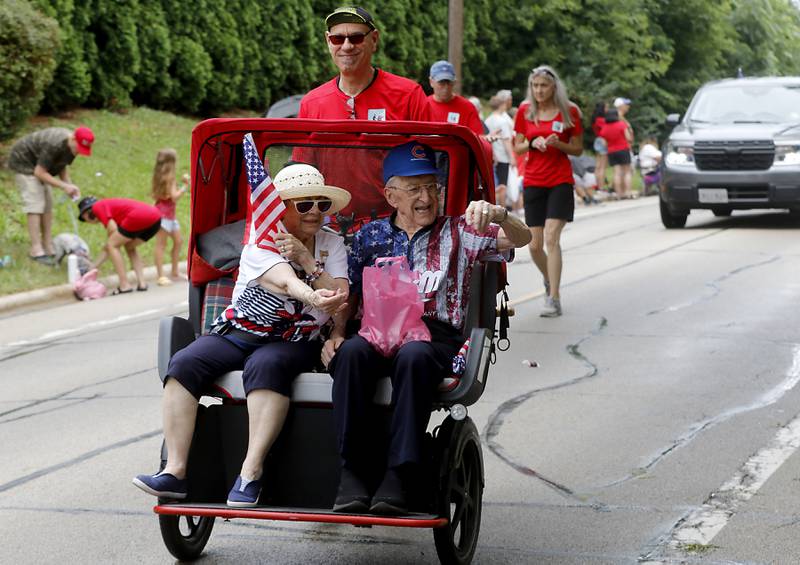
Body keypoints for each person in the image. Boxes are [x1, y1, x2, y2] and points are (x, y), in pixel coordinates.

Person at [325, 141, 531, 515]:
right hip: (377, 332)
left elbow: (522, 238)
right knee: (350, 354)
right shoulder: (369, 237)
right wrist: (338, 333)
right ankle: (351, 472)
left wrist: (500, 213)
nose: (427, 197)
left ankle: (399, 473)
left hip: (434, 335)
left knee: (414, 356)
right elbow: (350, 295)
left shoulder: (459, 231)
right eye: (415, 188)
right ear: (391, 195)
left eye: (433, 187)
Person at [132, 164, 351, 507]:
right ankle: (174, 471)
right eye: (304, 205)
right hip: (241, 331)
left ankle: (250, 472)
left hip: (295, 340)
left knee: (266, 365)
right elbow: (281, 280)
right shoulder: (259, 240)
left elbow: (340, 295)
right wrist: (311, 293)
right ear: (281, 208)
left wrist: (309, 261)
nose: (314, 213)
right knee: (185, 362)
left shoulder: (331, 244)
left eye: (320, 205)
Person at [295, 6, 430, 224]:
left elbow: (431, 168)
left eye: (356, 38)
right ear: (328, 41)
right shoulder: (311, 103)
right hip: (331, 226)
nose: (346, 46)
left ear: (374, 40)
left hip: (396, 225)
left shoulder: (408, 95)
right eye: (338, 39)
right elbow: (303, 174)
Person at [513, 65, 583, 318]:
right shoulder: (524, 111)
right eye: (535, 85)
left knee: (552, 237)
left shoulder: (570, 110)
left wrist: (558, 143)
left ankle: (554, 297)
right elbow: (518, 146)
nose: (539, 90)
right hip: (533, 180)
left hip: (560, 180)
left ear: (554, 87)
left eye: (543, 85)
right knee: (534, 245)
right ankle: (549, 279)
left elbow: (578, 149)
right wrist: (533, 142)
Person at [7, 126, 94, 264]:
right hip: (24, 163)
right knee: (35, 204)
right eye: (78, 148)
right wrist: (63, 186)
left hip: (39, 166)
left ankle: (47, 244)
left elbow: (62, 165)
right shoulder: (54, 143)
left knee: (48, 204)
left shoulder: (72, 146)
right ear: (72, 138)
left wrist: (69, 185)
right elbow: (39, 172)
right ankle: (36, 249)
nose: (78, 152)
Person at [77, 196, 162, 294]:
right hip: (155, 218)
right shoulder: (113, 211)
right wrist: (94, 266)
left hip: (138, 216)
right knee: (129, 246)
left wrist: (94, 266)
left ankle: (124, 285)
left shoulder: (97, 207)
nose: (88, 222)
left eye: (85, 219)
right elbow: (115, 238)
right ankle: (142, 283)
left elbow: (112, 233)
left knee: (112, 245)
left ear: (87, 214)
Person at [150, 148, 189, 286]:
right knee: (161, 245)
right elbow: (174, 197)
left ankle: (174, 271)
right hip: (164, 217)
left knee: (178, 241)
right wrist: (185, 186)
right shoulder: (170, 178)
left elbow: (158, 195)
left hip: (168, 216)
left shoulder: (158, 176)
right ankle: (161, 275)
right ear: (171, 163)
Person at [426, 61, 483, 135]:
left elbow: (478, 137)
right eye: (441, 83)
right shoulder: (423, 105)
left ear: (454, 82)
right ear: (431, 82)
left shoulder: (467, 107)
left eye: (449, 82)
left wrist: (486, 139)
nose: (446, 87)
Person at [485, 90, 518, 210]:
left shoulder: (488, 120)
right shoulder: (502, 121)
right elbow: (506, 140)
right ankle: (503, 211)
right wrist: (512, 157)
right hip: (503, 157)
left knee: (495, 184)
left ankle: (495, 208)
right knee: (503, 184)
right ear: (502, 105)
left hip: (493, 156)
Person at [601, 107, 634, 199]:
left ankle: (619, 194)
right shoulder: (621, 124)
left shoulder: (604, 128)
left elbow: (604, 143)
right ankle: (627, 192)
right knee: (627, 172)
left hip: (611, 151)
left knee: (617, 173)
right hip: (623, 149)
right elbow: (628, 138)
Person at [590, 101, 608, 192]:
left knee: (597, 165)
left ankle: (596, 185)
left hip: (596, 140)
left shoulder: (594, 119)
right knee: (602, 166)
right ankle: (601, 187)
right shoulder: (601, 120)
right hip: (603, 140)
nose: (607, 110)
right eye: (606, 107)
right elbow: (605, 131)